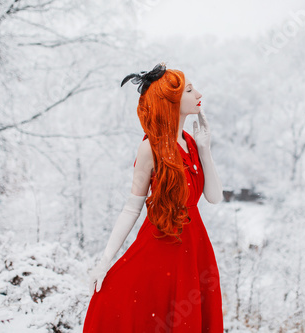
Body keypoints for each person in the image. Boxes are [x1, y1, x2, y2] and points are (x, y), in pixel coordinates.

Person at [82, 62, 224, 332]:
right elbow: (131, 208)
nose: (198, 94)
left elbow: (214, 197)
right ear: (171, 100)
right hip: (160, 246)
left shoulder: (192, 143)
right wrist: (104, 262)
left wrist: (205, 148)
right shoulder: (150, 148)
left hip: (195, 247)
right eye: (190, 90)